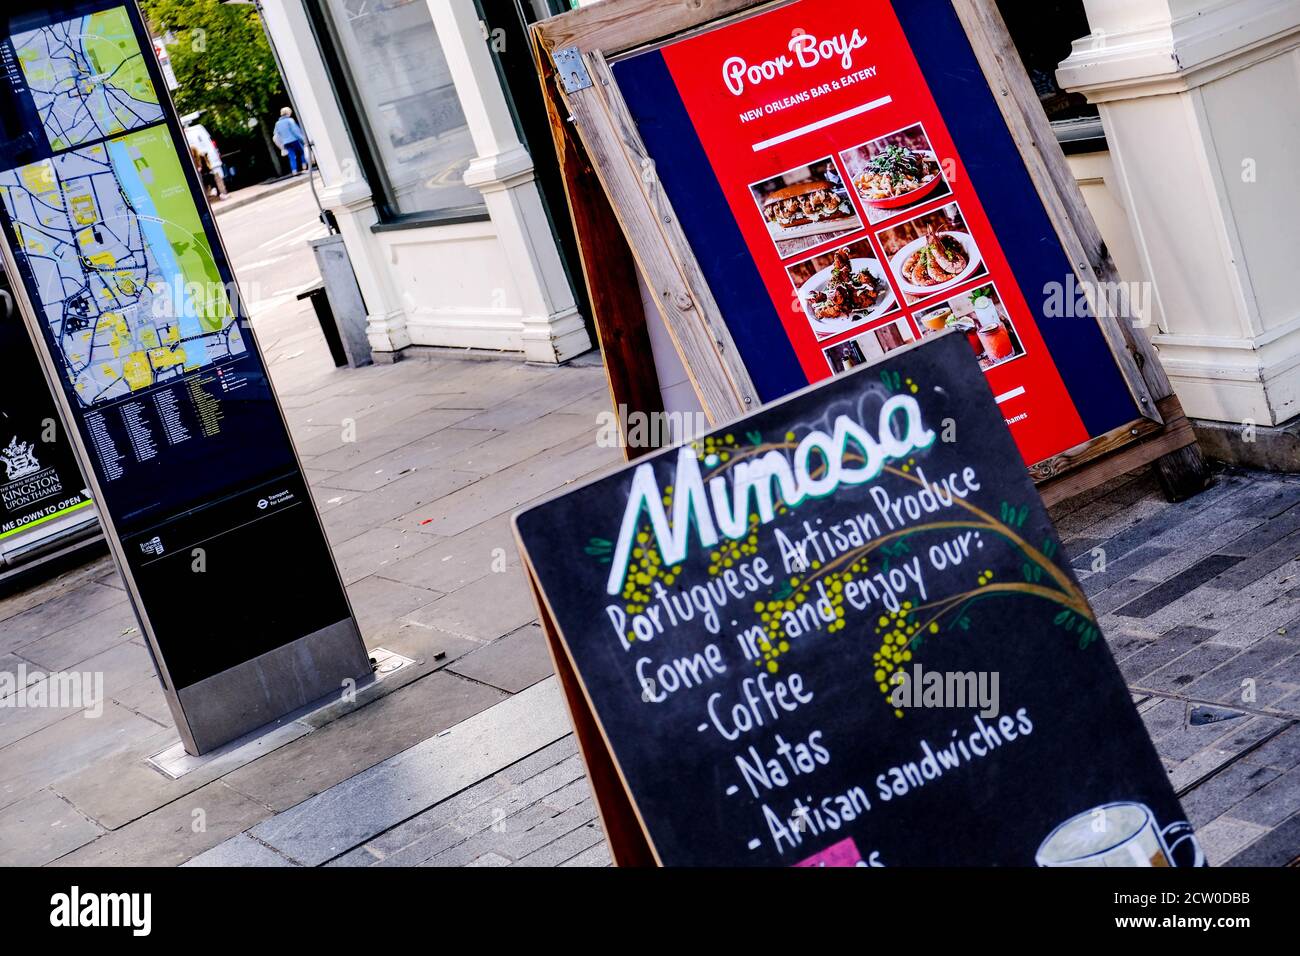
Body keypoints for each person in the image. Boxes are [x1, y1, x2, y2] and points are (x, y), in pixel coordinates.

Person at [273, 106, 307, 175]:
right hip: (294, 140)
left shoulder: (277, 123)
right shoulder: (290, 120)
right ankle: (304, 166)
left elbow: (276, 134)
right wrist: (302, 139)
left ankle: (294, 171)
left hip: (286, 143)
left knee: (291, 156)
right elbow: (295, 131)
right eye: (290, 113)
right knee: (303, 151)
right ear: (288, 113)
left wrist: (281, 144)